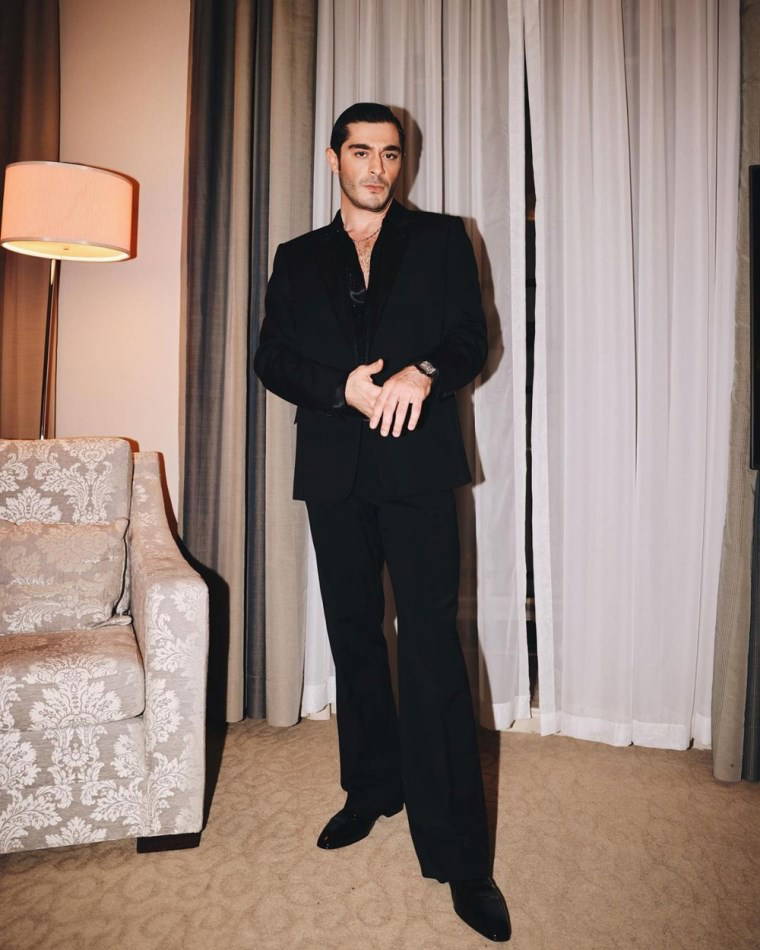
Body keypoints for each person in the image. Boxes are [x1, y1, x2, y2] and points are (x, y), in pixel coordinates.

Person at [254, 102, 511, 943]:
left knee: (432, 645)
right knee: (355, 635)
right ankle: (372, 788)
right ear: (333, 159)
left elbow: (472, 338)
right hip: (334, 471)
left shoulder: (442, 239)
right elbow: (271, 358)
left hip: (418, 469)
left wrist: (422, 372)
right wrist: (342, 388)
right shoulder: (297, 257)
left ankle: (461, 856)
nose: (377, 167)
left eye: (391, 154)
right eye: (361, 152)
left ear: (403, 163)